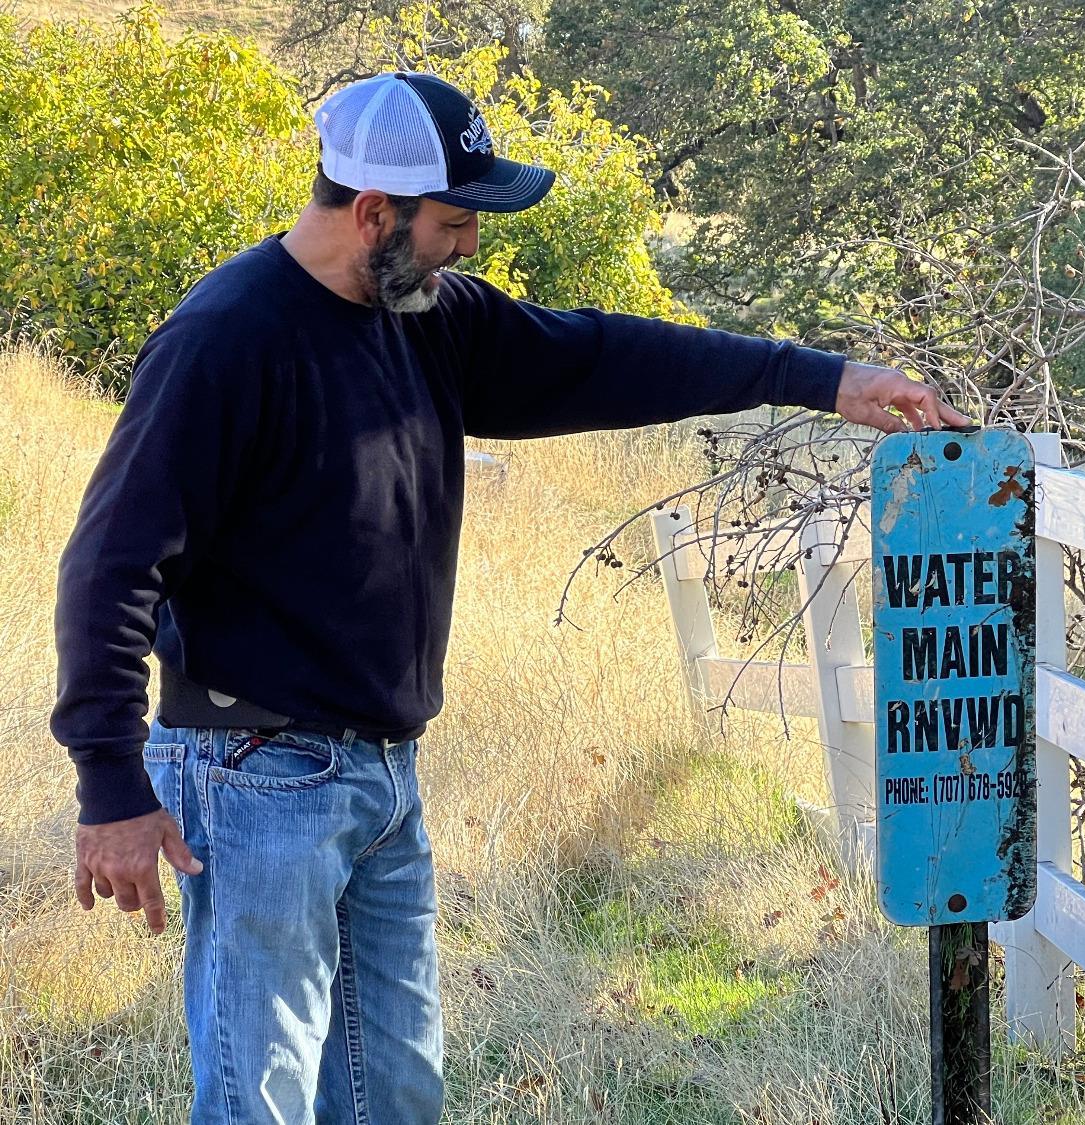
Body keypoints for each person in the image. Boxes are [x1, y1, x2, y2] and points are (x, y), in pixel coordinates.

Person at [52, 71, 967, 1123]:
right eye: (452, 222)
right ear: (372, 212)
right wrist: (111, 786)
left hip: (383, 774)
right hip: (258, 778)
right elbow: (111, 566)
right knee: (260, 1097)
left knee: (397, 1092)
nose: (470, 247)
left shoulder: (429, 318)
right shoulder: (227, 342)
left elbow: (607, 356)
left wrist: (819, 377)